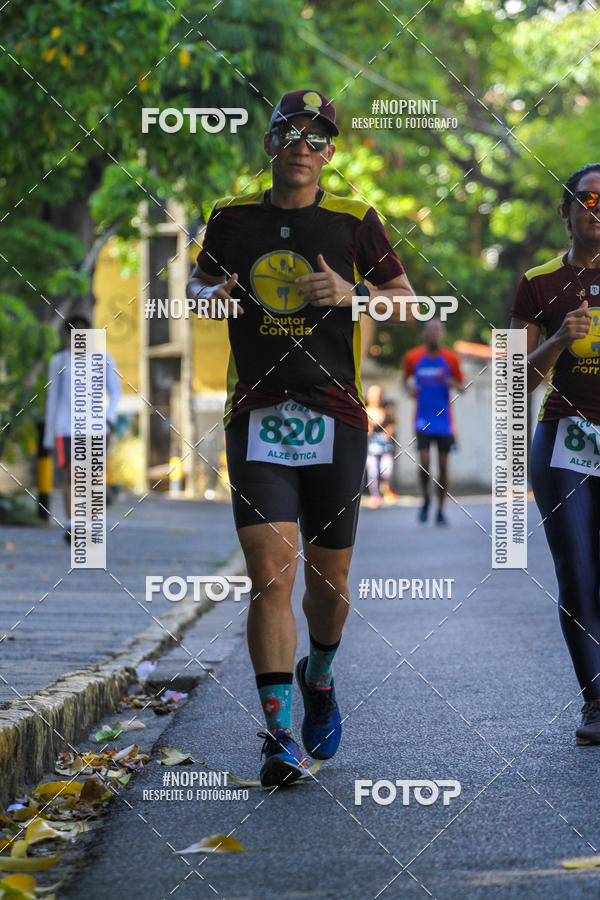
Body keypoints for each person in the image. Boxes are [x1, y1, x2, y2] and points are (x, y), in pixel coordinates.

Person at [187, 89, 416, 786]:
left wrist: (355, 295)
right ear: (270, 142)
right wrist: (210, 298)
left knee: (330, 580)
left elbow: (407, 300)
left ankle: (320, 675)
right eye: (292, 132)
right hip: (257, 414)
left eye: (319, 138)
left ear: (331, 153)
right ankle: (278, 733)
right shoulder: (231, 219)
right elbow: (197, 287)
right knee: (269, 577)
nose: (304, 146)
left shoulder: (355, 220)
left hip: (336, 415)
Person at [510, 162, 600, 745]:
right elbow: (517, 380)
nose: (597, 208)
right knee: (577, 572)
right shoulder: (538, 283)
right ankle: (596, 701)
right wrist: (559, 340)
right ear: (565, 210)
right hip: (566, 438)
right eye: (587, 198)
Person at [43, 307, 121, 543]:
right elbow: (53, 398)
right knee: (72, 475)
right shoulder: (58, 361)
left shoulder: (103, 358)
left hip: (96, 427)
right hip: (67, 427)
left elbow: (115, 391)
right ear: (66, 336)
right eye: (73, 333)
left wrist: (109, 419)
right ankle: (73, 524)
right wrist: (49, 436)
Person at [403, 319, 464, 525]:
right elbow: (405, 380)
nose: (434, 334)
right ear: (424, 335)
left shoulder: (451, 359)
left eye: (437, 330)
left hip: (445, 423)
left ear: (443, 333)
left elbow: (463, 386)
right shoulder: (413, 357)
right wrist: (409, 389)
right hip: (422, 421)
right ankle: (426, 500)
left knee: (444, 467)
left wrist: (451, 382)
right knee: (425, 463)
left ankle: (440, 510)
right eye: (430, 330)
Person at [365, 384, 397, 508]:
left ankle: (386, 487)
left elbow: (394, 423)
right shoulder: (365, 410)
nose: (375, 398)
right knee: (373, 471)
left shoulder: (387, 409)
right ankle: (375, 496)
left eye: (378, 395)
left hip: (385, 447)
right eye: (373, 395)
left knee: (387, 470)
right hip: (371, 448)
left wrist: (389, 431)